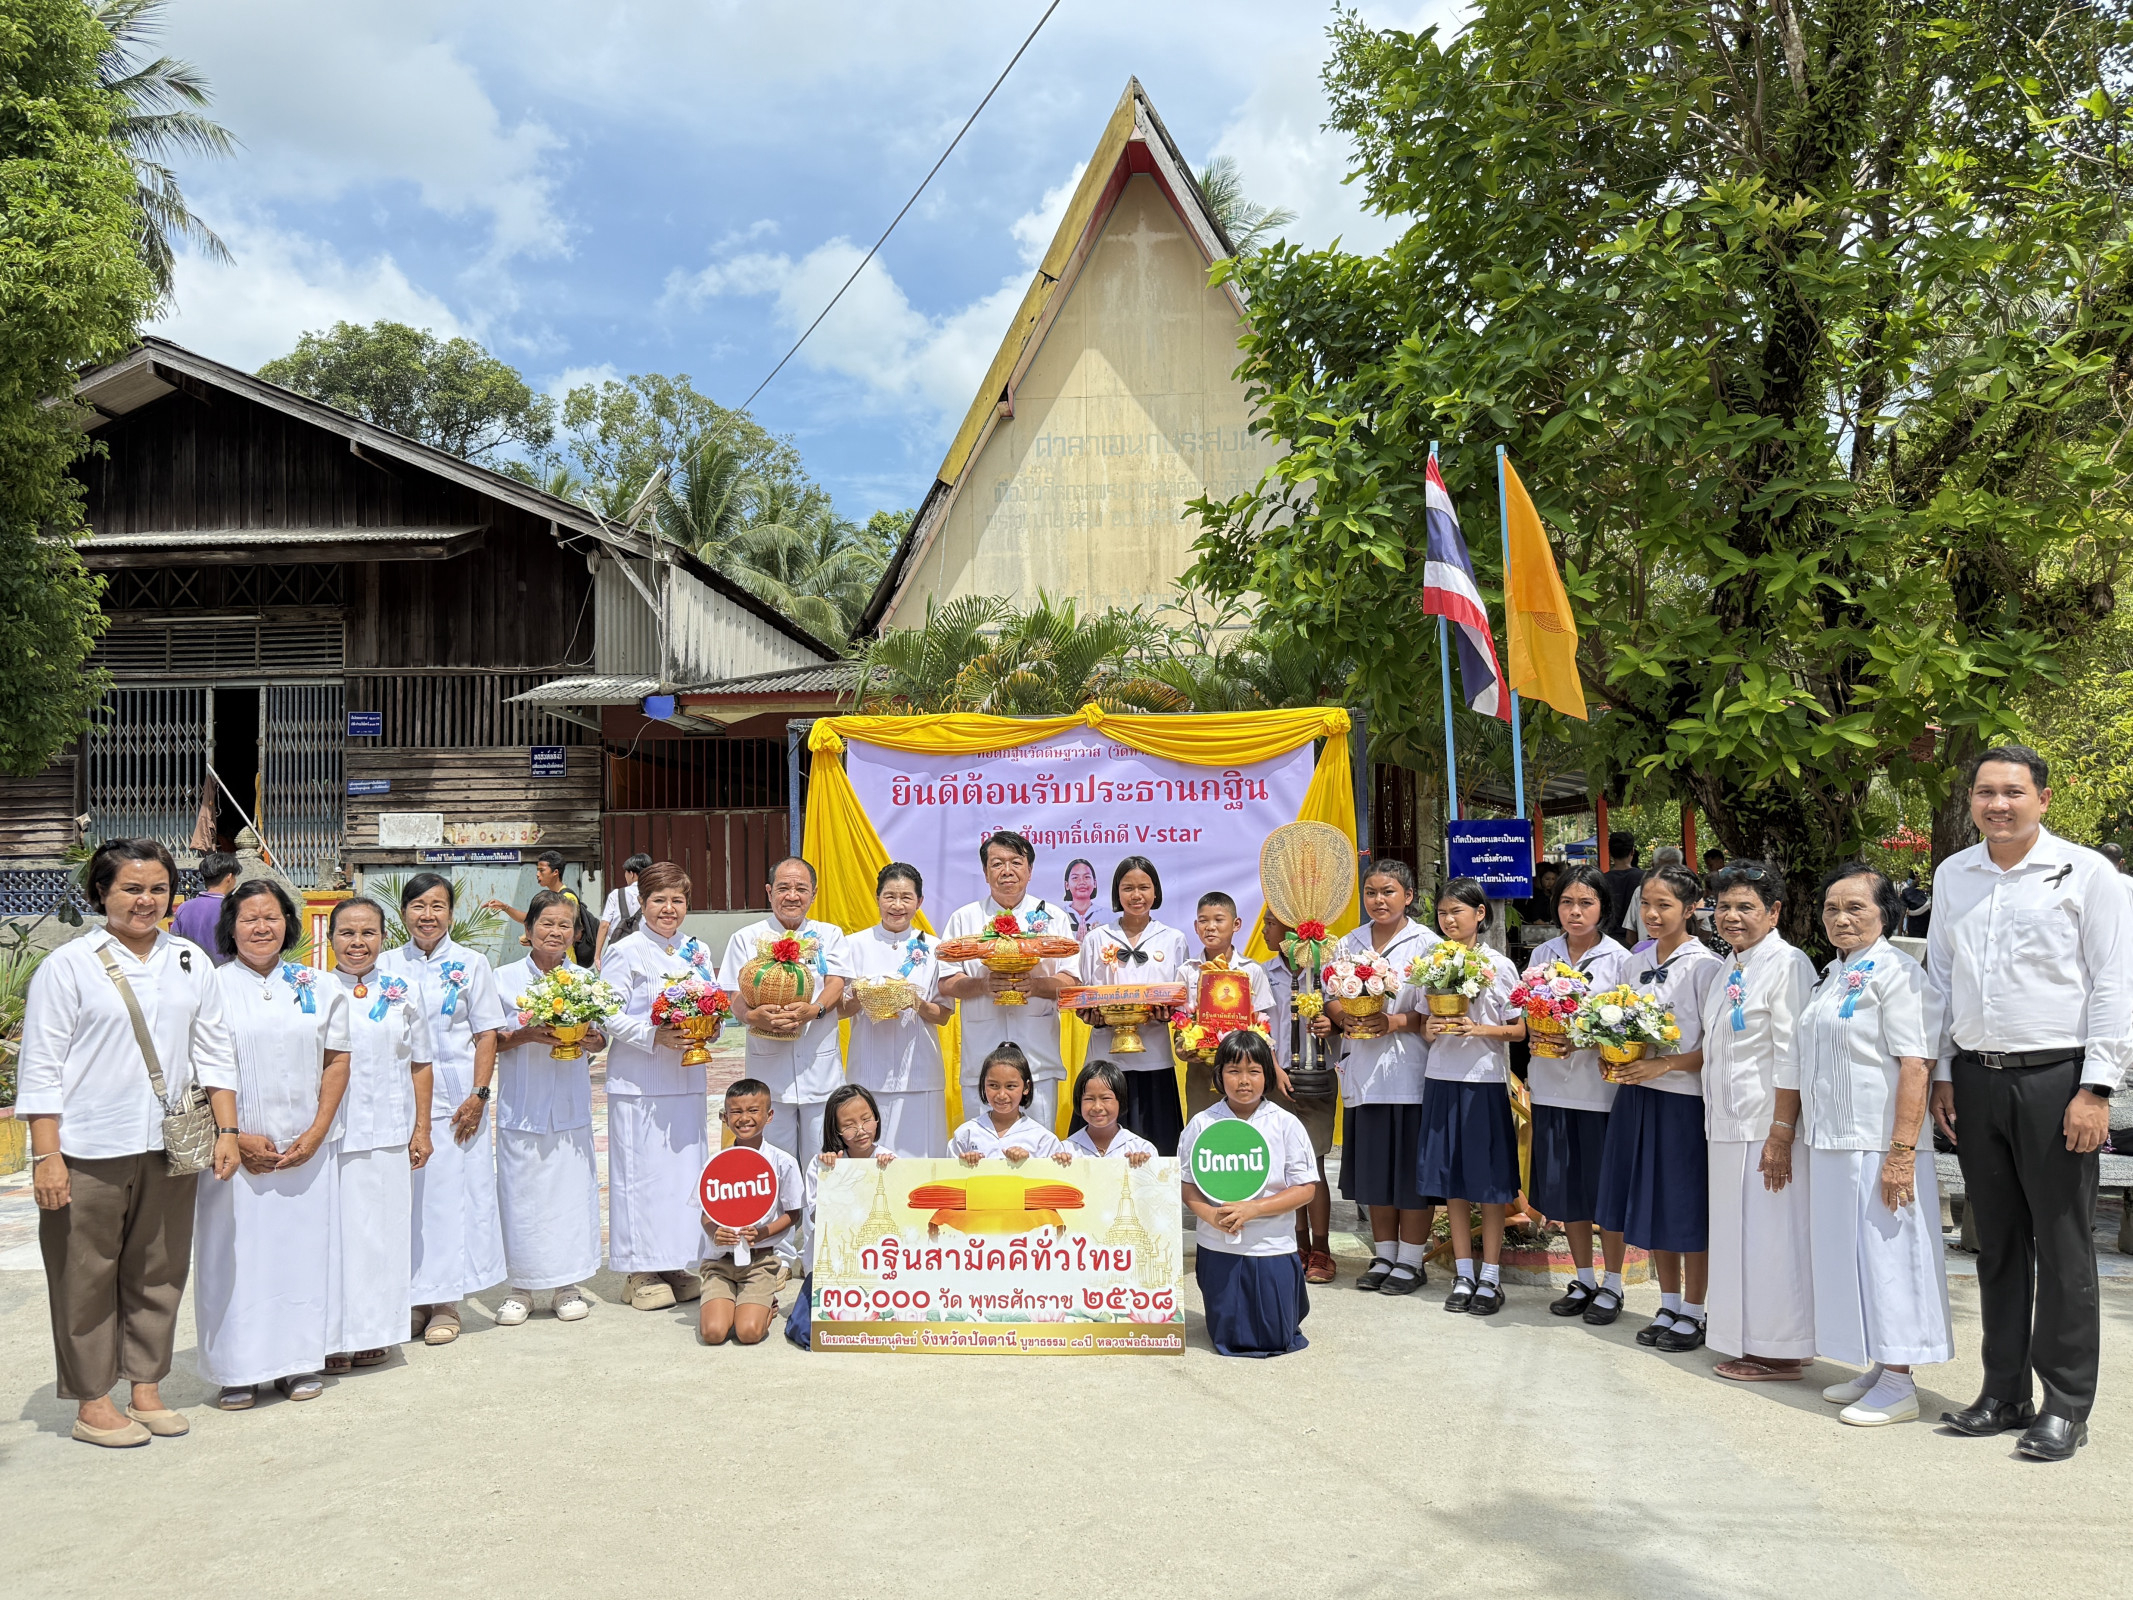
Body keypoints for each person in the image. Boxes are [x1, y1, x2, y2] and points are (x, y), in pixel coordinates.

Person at [1926, 745, 2128, 1460]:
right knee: (1997, 1244)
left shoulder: (2086, 874)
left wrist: (2096, 1087)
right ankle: (2001, 1390)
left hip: (2057, 1081)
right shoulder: (1954, 874)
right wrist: (1942, 1071)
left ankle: (2064, 1405)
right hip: (1975, 1081)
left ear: (2042, 798)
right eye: (1984, 792)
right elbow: (1939, 978)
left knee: (2063, 1244)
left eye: (2012, 792)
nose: (1997, 805)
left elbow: (2112, 984)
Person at [20, 838, 238, 1447]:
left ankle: (145, 1387)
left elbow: (214, 1051)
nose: (146, 901)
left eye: (158, 889)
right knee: (84, 1274)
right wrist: (47, 1154)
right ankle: (93, 1401)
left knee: (160, 1269)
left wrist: (226, 1130)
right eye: (131, 889)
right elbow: (41, 1067)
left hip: (170, 1145)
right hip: (89, 1148)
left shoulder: (190, 960)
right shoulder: (69, 966)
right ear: (101, 893)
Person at [1777, 863, 1951, 1427]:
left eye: (1857, 908)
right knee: (1850, 1259)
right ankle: (1880, 1364)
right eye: (1832, 907)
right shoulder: (1834, 974)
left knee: (1889, 1258)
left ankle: (1901, 1380)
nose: (1841, 917)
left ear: (1886, 914)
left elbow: (1916, 1064)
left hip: (1880, 1146)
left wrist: (1902, 1153)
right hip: (1832, 1141)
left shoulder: (1900, 973)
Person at [196, 879, 353, 1409]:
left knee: (301, 1255)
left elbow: (337, 1060)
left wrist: (316, 1133)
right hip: (233, 1154)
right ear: (230, 927)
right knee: (233, 1256)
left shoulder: (318, 985)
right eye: (248, 919)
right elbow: (197, 1068)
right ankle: (236, 1367)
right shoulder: (209, 986)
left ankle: (299, 1362)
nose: (261, 927)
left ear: (288, 923)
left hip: (305, 1152)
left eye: (271, 917)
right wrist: (235, 1135)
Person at [1594, 865, 1723, 1351]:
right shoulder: (1633, 962)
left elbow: (1716, 1046)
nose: (1651, 913)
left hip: (1681, 1102)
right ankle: (1668, 1303)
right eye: (1646, 903)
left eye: (1664, 905)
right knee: (1652, 1203)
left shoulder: (1705, 967)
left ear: (1690, 909)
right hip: (1637, 1095)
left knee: (1684, 1203)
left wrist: (1663, 1066)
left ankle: (1695, 1309)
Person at [1700, 861, 1819, 1382]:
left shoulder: (1787, 964)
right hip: (1726, 1124)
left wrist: (1781, 1131)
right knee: (1736, 1237)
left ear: (1773, 912)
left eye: (1745, 907)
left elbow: (1792, 1053)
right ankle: (1747, 1338)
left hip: (1766, 1126)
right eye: (1724, 907)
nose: (1732, 916)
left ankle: (1782, 1349)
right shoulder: (1731, 964)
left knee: (1772, 1239)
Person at [380, 874, 507, 1346]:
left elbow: (487, 1032)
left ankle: (446, 1301)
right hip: (400, 1096)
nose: (427, 915)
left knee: (448, 1201)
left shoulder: (472, 963)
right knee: (406, 1199)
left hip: (457, 1102)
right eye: (417, 905)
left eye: (437, 906)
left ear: (451, 914)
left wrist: (479, 1094)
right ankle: (411, 1298)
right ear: (403, 912)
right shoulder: (386, 964)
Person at [1310, 861, 1433, 1296]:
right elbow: (1330, 999)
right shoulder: (1348, 943)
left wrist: (1394, 1021)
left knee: (1409, 1175)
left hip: (1410, 1073)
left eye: (1389, 892)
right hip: (1363, 1072)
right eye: (1371, 892)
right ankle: (1383, 1255)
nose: (1379, 900)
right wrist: (1349, 1018)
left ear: (1409, 896)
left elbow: (1437, 1010)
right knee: (1378, 1172)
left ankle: (1412, 1260)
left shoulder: (1427, 944)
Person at [599, 861, 717, 1313]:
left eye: (677, 900)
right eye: (659, 900)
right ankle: (638, 1270)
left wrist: (705, 1026)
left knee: (683, 1176)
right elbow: (608, 1013)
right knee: (640, 1176)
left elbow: (713, 1001)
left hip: (686, 1078)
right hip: (639, 1082)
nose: (669, 909)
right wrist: (653, 1036)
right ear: (642, 904)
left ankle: (674, 1263)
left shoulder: (698, 950)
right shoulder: (625, 951)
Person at [324, 897, 433, 1375]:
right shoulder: (313, 989)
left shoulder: (403, 989)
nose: (357, 943)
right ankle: (332, 1337)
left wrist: (422, 1128)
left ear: (383, 939)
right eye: (347, 933)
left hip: (389, 1132)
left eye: (368, 933)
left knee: (383, 1237)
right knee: (336, 1237)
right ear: (330, 939)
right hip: (331, 1137)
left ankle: (373, 1332)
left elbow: (421, 1062)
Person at [490, 890, 605, 1327]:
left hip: (569, 1107)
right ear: (528, 930)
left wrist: (594, 1040)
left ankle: (567, 1285)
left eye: (564, 926)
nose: (555, 932)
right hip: (522, 1107)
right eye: (546, 924)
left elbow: (599, 1036)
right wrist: (528, 1034)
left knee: (570, 1196)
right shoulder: (502, 979)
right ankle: (520, 1287)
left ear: (575, 934)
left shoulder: (584, 980)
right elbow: (491, 1040)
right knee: (521, 1196)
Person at [1526, 863, 1635, 1323]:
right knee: (1568, 1191)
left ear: (1603, 908)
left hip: (1600, 1093)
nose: (1575, 911)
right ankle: (1584, 1278)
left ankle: (1613, 1283)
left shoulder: (1621, 961)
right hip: (1551, 1087)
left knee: (1603, 1192)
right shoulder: (1542, 955)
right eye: (1568, 902)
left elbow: (1630, 1027)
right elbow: (1528, 1010)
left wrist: (1585, 1038)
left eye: (1586, 903)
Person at [1415, 880, 1526, 1316]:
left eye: (1457, 911)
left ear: (1480, 914)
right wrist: (1434, 1029)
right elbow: (1424, 1025)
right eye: (1442, 912)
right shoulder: (1431, 962)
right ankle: (1463, 1273)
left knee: (1490, 1184)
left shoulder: (1499, 965)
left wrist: (1477, 1030)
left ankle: (1491, 1277)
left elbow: (1518, 1031)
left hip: (1483, 1082)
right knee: (1452, 1182)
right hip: (1441, 1078)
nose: (1448, 919)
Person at [1180, 1030, 1319, 1357]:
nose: (1244, 1081)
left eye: (1254, 1071)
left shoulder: (1285, 1124)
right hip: (1218, 1245)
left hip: (1270, 1245)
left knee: (1275, 1337)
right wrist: (1212, 1215)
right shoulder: (1201, 1125)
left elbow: (1306, 1189)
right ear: (1219, 1075)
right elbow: (1187, 1185)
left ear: (1267, 1076)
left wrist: (1254, 1210)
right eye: (1233, 1071)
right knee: (1229, 1337)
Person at [718, 856, 851, 1163]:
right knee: (775, 1164)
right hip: (770, 1076)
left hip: (821, 1072)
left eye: (801, 888)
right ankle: (784, 1215)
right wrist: (752, 1016)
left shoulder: (829, 935)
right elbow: (732, 993)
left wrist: (814, 1010)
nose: (792, 896)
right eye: (784, 888)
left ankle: (816, 1215)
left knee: (824, 1164)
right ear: (769, 891)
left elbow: (836, 983)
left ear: (814, 894)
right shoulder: (746, 938)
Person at [940, 832, 1070, 1130]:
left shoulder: (1053, 917)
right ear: (986, 872)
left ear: (1029, 870)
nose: (1007, 871)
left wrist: (1036, 986)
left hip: (1037, 1057)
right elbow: (947, 981)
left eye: (1016, 862)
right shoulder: (965, 918)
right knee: (980, 1153)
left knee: (1038, 1152)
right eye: (997, 863)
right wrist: (983, 985)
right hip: (982, 1054)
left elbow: (1071, 979)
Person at [1073, 856, 1190, 1152]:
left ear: (1155, 892)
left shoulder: (1173, 939)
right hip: (1105, 1054)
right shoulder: (1097, 939)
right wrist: (1091, 1015)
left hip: (1155, 1055)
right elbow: (1084, 994)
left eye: (1144, 887)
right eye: (1127, 888)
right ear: (1116, 892)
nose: (1136, 896)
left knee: (1157, 1143)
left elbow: (1181, 997)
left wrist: (1168, 1014)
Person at [838, 863, 952, 1158]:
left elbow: (943, 1014)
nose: (897, 906)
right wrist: (863, 998)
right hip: (868, 1071)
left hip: (919, 1073)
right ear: (877, 898)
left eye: (906, 898)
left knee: (922, 1160)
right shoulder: (853, 946)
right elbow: (839, 1010)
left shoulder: (935, 948)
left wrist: (914, 1002)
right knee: (869, 1161)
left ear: (919, 902)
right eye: (890, 896)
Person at [787, 1083, 901, 1350]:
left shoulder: (891, 1159)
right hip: (835, 1268)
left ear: (877, 1118)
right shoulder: (822, 1165)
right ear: (835, 1129)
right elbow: (819, 1216)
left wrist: (893, 1173)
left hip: (880, 1267)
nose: (860, 1130)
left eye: (866, 1120)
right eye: (849, 1124)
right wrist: (835, 1178)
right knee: (807, 1331)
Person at [1259, 909, 1336, 1284]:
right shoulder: (1263, 971)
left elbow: (1343, 1017)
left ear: (1292, 931)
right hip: (1275, 1081)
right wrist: (1272, 1068)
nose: (1264, 930)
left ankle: (1321, 1247)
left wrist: (1331, 1024)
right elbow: (1259, 1025)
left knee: (1314, 1164)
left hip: (1315, 1079)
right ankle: (1296, 1243)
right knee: (1284, 1167)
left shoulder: (1326, 968)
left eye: (1271, 924)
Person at [697, 1079, 803, 1347]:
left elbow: (794, 1214)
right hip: (720, 1263)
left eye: (753, 1110)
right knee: (714, 1333)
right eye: (736, 1112)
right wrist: (714, 1232)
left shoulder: (783, 1162)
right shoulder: (716, 1163)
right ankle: (726, 1298)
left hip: (759, 1262)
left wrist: (764, 1232)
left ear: (769, 1116)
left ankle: (766, 1303)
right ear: (724, 1117)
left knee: (748, 1333)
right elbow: (706, 1214)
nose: (744, 1119)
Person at [1179, 892, 1278, 1122]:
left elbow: (1263, 1023)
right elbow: (1181, 1020)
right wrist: (1182, 1047)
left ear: (1236, 924)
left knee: (1244, 1128)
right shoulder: (1188, 971)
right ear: (1195, 926)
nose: (1210, 927)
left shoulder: (1251, 970)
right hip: (1201, 1068)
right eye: (1203, 921)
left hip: (1243, 1068)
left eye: (1218, 920)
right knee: (1204, 1128)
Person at [949, 1045, 1063, 1162]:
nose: (1002, 1095)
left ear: (1026, 1087)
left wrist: (1028, 1164)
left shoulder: (1043, 1140)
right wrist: (964, 1165)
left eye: (1010, 1086)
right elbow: (949, 1176)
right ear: (983, 1085)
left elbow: (1054, 1177)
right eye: (993, 1085)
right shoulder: (966, 1134)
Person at [1060, 1060, 1158, 1164]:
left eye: (1105, 1098)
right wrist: (1056, 1166)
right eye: (1089, 1099)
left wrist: (1144, 1167)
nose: (1097, 1107)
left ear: (1120, 1100)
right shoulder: (1066, 1150)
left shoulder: (1141, 1149)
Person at [170, 850, 237, 965]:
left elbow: (173, 943)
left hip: (192, 974)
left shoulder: (184, 908)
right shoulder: (233, 908)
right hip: (224, 977)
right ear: (229, 877)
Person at [596, 852, 651, 962]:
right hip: (645, 949)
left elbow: (605, 925)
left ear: (631, 873)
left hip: (619, 950)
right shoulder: (653, 894)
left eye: (625, 872)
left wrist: (597, 955)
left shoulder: (616, 894)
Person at [1600, 830, 1644, 946]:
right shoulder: (1646, 879)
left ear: (1610, 853)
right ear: (1632, 852)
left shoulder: (1600, 880)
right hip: (1638, 942)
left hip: (1606, 941)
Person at [1062, 856, 1102, 936]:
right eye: (1075, 878)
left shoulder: (1109, 915)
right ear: (1067, 885)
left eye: (1086, 877)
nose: (1081, 882)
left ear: (1094, 883)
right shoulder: (1059, 915)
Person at [1896, 869, 1932, 939]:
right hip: (1915, 932)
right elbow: (1902, 914)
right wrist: (1899, 935)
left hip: (1931, 931)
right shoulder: (1907, 892)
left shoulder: (1933, 890)